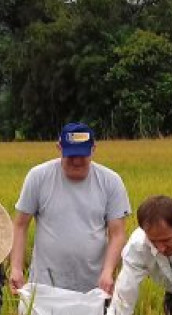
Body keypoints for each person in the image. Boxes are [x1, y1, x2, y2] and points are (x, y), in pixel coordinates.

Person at [9, 122, 131, 295]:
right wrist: (16, 268)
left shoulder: (110, 181)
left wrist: (108, 271)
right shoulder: (38, 176)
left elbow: (117, 233)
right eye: (71, 155)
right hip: (45, 284)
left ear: (93, 148)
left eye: (82, 155)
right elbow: (20, 225)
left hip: (94, 286)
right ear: (59, 148)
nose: (77, 161)